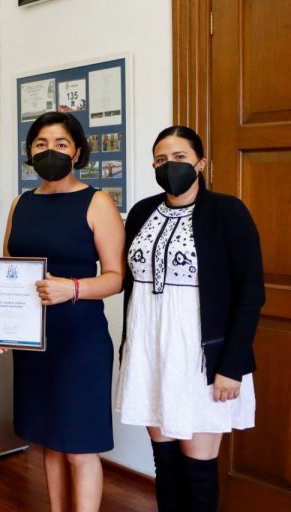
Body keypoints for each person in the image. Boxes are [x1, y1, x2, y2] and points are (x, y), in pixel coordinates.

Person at [116, 126, 264, 512]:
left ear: (201, 163)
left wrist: (231, 366)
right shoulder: (141, 212)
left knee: (198, 472)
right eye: (161, 159)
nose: (170, 165)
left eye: (180, 157)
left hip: (203, 362)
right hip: (149, 354)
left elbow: (251, 293)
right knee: (165, 466)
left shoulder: (228, 212)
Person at [2, 111, 124, 512]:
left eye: (60, 144)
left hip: (80, 341)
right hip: (33, 340)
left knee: (79, 448)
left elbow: (115, 278)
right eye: (41, 144)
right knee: (49, 442)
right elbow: (8, 272)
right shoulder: (21, 203)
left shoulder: (97, 202)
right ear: (30, 151)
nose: (49, 151)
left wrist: (71, 288)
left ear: (77, 152)